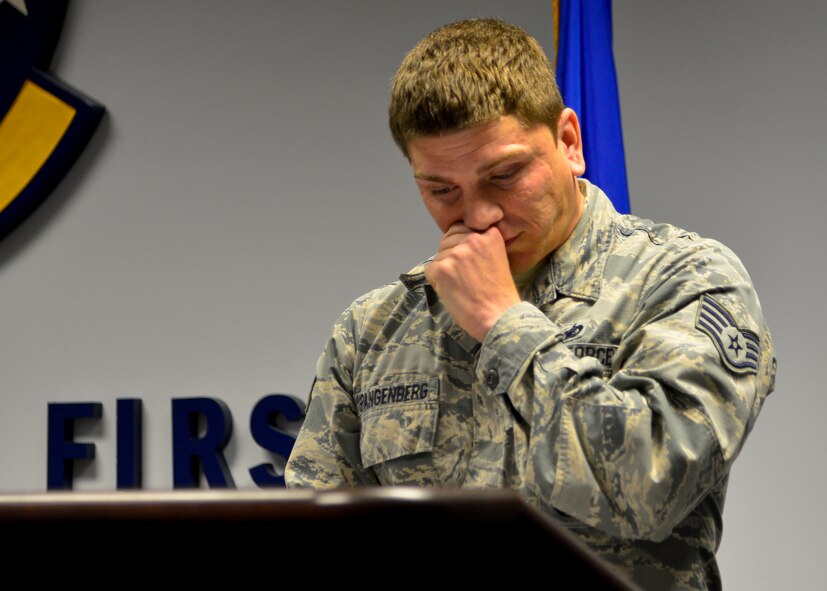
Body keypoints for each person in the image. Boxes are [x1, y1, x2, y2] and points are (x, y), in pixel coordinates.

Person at [285, 18, 776, 591]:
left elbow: (652, 486)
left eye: (506, 175)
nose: (480, 214)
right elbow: (313, 549)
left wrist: (504, 324)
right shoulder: (374, 329)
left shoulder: (683, 279)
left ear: (569, 141)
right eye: (442, 190)